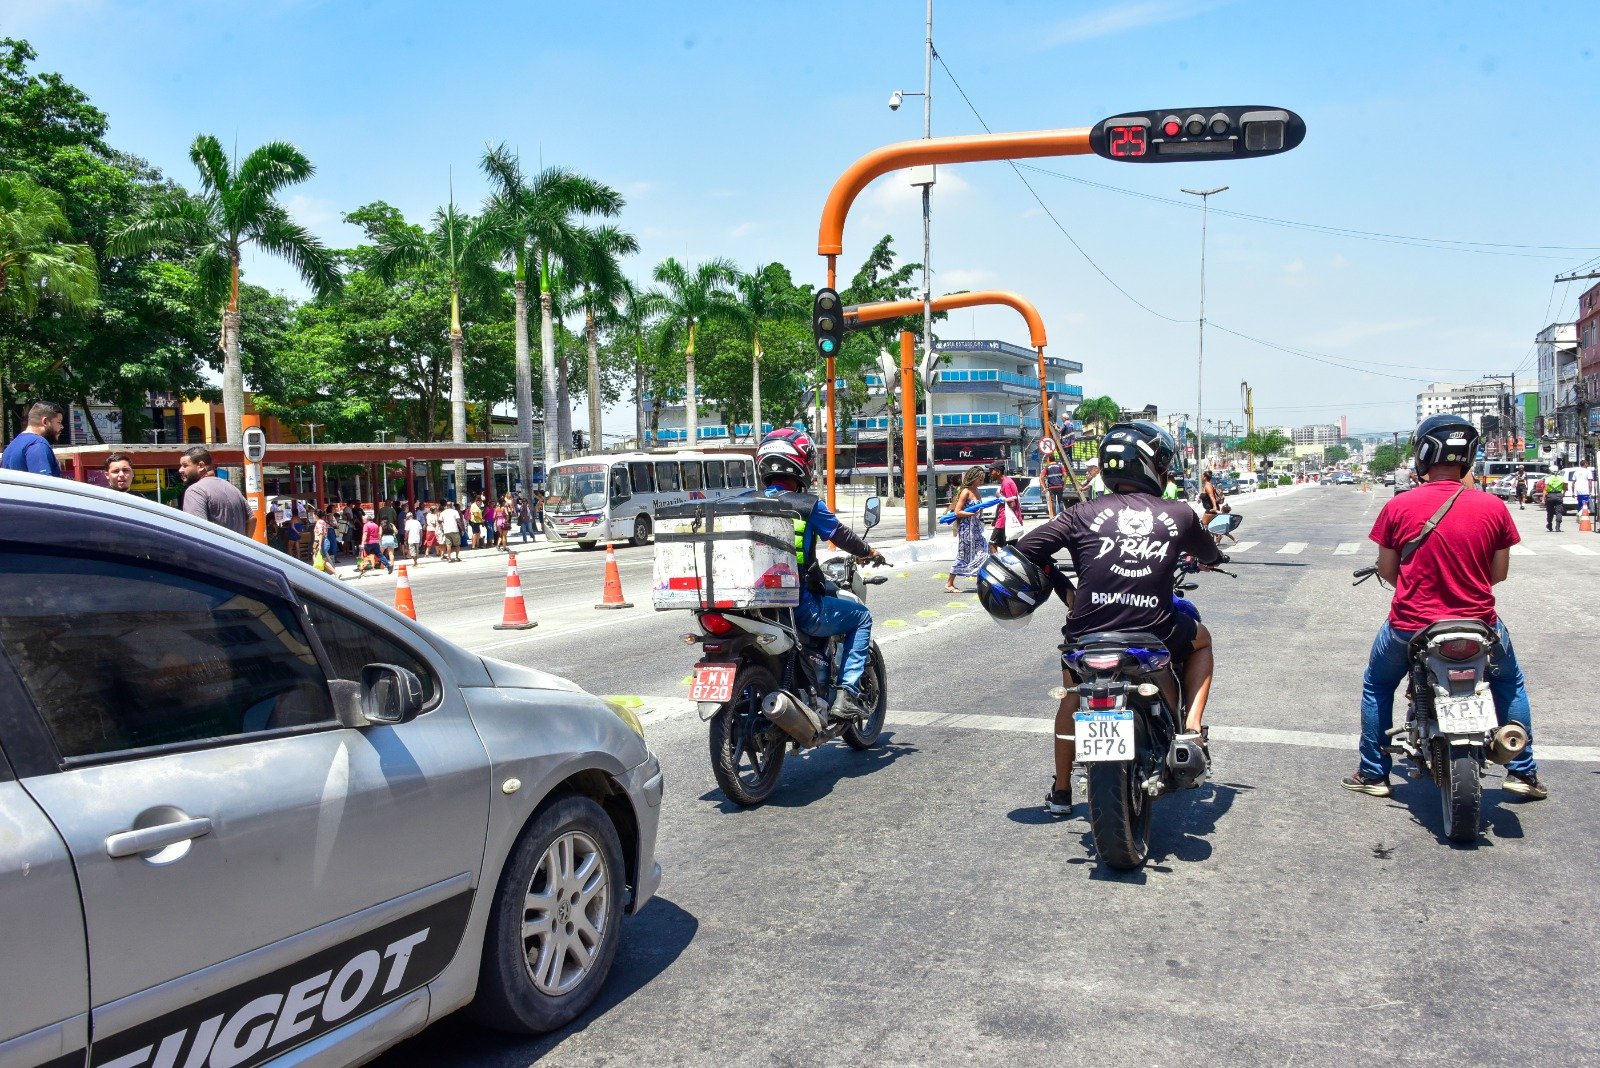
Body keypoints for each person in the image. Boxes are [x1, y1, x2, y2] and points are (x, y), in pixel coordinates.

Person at [1008, 421, 1226, 816]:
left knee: (1072, 699)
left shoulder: (1080, 513)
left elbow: (1027, 549)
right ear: (1148, 465)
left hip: (1086, 636)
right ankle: (1191, 730)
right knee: (1203, 641)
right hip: (1154, 632)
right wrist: (1206, 559)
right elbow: (1210, 555)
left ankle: (1060, 791)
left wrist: (1064, 586)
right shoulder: (1179, 513)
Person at [1343, 414, 1545, 800]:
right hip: (1480, 623)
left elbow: (1388, 571)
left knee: (1377, 685)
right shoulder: (1493, 507)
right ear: (1468, 457)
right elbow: (1497, 575)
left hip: (1411, 624)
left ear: (1422, 454)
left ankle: (1373, 773)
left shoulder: (1399, 507)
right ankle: (1523, 771)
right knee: (1508, 682)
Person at [754, 427, 887, 719]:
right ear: (801, 465)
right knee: (861, 616)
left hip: (754, 607)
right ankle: (849, 692)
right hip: (798, 608)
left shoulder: (748, 503)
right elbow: (840, 535)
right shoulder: (808, 506)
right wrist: (867, 551)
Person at [177, 446, 250, 534]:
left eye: (185, 465)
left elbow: (197, 529)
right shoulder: (232, 488)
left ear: (201, 466)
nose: (180, 470)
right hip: (236, 547)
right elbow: (252, 519)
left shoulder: (195, 491)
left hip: (211, 547)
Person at [944, 465, 989, 593]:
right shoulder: (966, 492)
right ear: (973, 478)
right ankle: (949, 583)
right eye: (980, 479)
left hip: (976, 528)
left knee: (983, 552)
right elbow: (958, 512)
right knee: (963, 555)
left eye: (983, 479)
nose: (982, 481)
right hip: (966, 529)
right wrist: (971, 514)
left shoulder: (977, 491)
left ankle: (981, 580)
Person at [2, 400, 66, 477]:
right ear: (45, 422)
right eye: (58, 422)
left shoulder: (12, 446)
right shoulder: (38, 444)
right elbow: (44, 484)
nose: (61, 427)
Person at [987, 462, 1021, 549]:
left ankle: (996, 563)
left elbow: (1012, 504)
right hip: (1006, 520)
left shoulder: (1006, 483)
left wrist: (999, 496)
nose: (990, 473)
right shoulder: (1006, 481)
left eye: (991, 471)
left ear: (998, 472)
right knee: (1010, 547)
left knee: (992, 544)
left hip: (1004, 520)